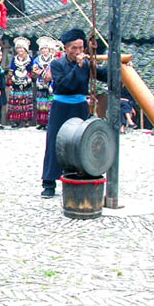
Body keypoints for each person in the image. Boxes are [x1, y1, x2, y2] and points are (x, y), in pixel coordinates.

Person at [41, 28, 107, 198]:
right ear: (66, 48)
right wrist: (78, 67)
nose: (78, 52)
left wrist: (119, 66)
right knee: (55, 142)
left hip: (80, 107)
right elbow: (64, 85)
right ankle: (49, 182)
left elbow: (103, 76)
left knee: (80, 142)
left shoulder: (86, 63)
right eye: (74, 48)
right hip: (61, 107)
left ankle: (77, 177)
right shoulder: (57, 64)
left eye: (81, 48)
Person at [7, 36, 34, 127]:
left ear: (25, 49)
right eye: (18, 48)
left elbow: (32, 71)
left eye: (21, 48)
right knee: (16, 102)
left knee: (26, 101)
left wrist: (29, 78)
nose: (19, 50)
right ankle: (16, 120)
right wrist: (10, 82)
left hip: (26, 83)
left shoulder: (30, 59)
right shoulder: (14, 59)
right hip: (16, 83)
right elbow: (11, 71)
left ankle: (26, 121)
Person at [32, 36, 56, 129]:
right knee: (41, 103)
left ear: (49, 49)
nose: (44, 50)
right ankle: (41, 122)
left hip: (51, 84)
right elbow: (34, 70)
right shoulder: (37, 59)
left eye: (45, 48)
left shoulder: (54, 59)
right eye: (42, 48)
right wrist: (41, 72)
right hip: (41, 82)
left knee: (50, 102)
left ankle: (49, 122)